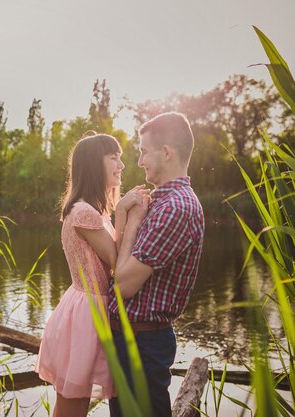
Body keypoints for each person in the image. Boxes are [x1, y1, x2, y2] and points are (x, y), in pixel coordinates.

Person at [35, 133, 149, 417]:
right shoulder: (84, 213)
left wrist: (119, 211)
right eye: (114, 158)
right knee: (73, 407)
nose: (121, 165)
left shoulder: (89, 211)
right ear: (92, 165)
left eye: (120, 158)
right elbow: (116, 261)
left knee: (73, 405)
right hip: (88, 314)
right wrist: (124, 211)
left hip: (84, 308)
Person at [108, 112, 205, 417]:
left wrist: (133, 219)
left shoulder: (176, 208)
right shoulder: (160, 203)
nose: (139, 161)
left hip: (143, 345)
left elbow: (122, 285)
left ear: (166, 152)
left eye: (144, 151)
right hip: (131, 340)